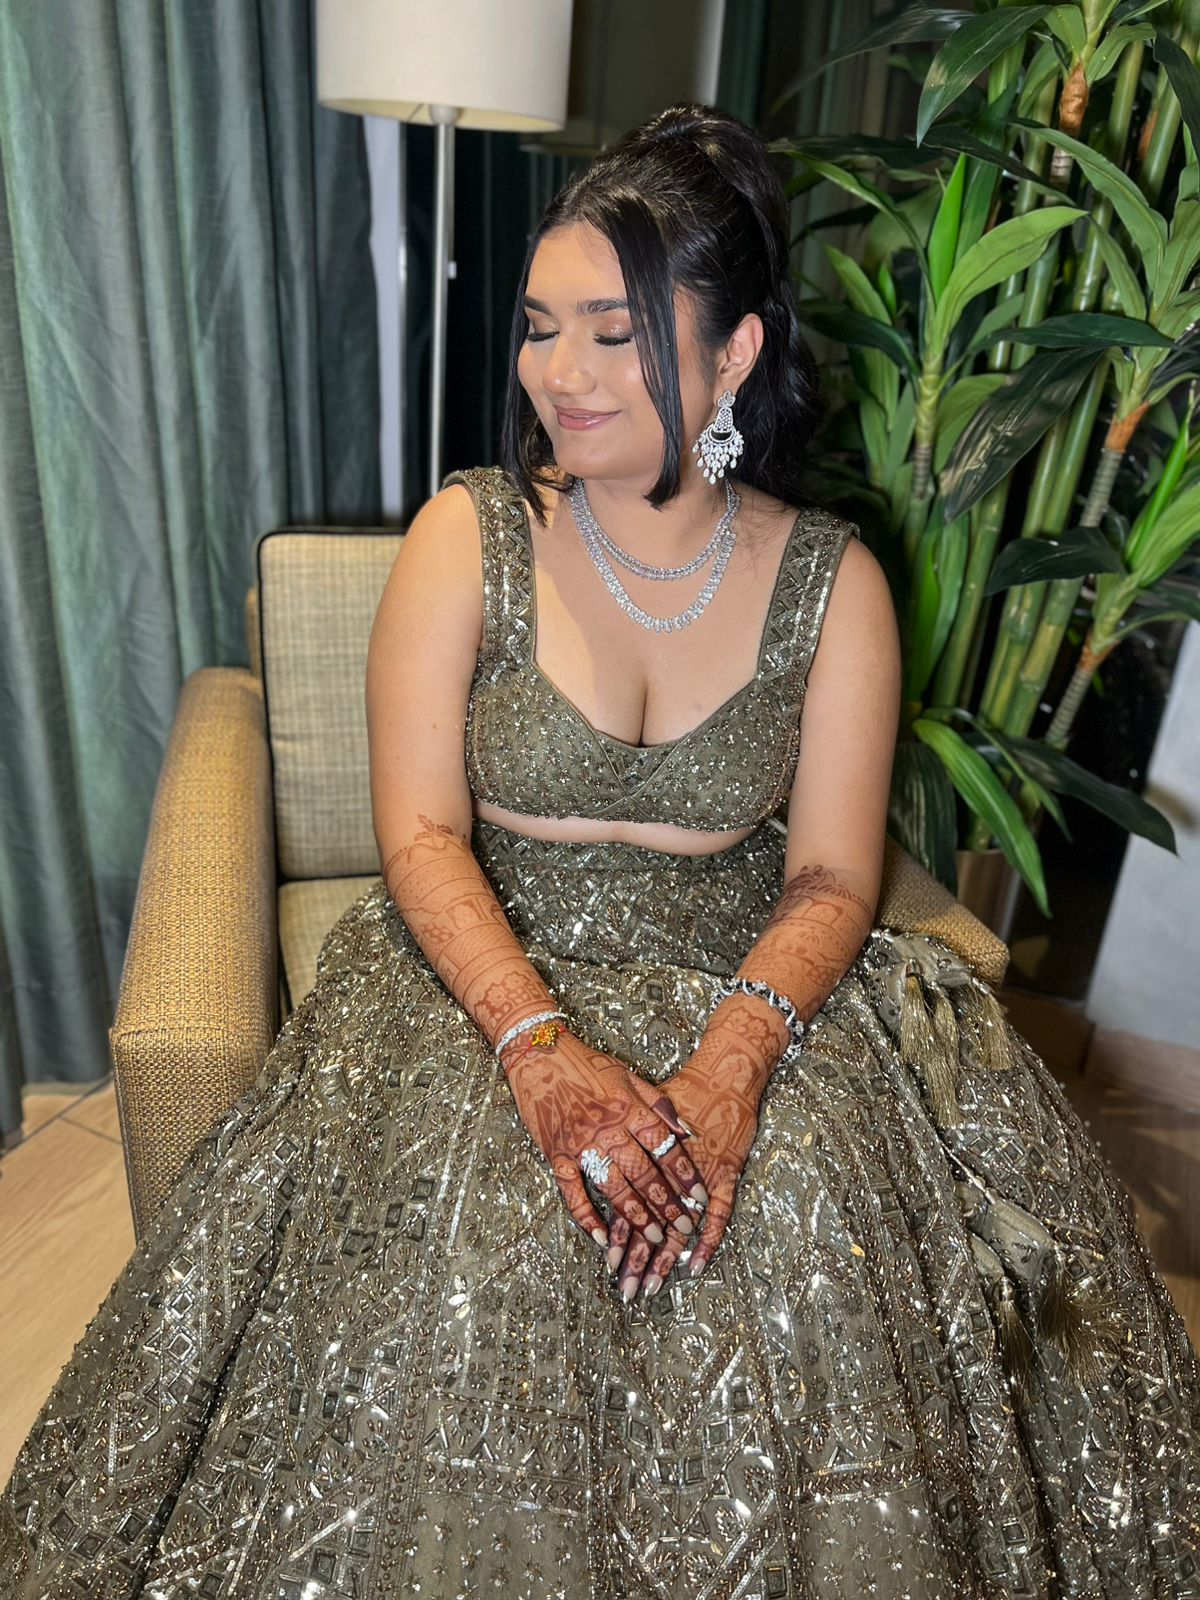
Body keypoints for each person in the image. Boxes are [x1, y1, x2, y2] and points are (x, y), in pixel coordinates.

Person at [3, 101, 1199, 1600]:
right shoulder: (468, 537)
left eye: (614, 334)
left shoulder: (836, 587)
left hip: (744, 985)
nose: (556, 374)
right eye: (538, 326)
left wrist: (730, 1069)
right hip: (482, 982)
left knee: (802, 1239)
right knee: (484, 1246)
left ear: (734, 352)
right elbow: (419, 833)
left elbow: (835, 877)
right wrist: (540, 1049)